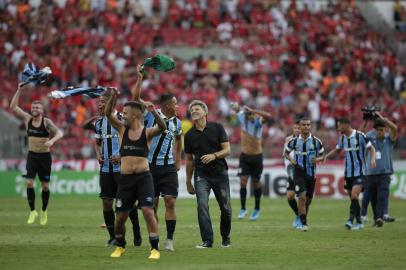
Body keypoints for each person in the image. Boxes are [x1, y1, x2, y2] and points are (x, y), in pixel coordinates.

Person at [105, 88, 166, 259]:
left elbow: (163, 127)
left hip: (143, 178)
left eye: (125, 113)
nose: (122, 115)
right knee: (120, 218)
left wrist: (154, 113)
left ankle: (154, 248)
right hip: (125, 181)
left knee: (148, 211)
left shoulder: (146, 132)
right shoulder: (121, 130)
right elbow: (108, 112)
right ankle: (120, 245)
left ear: (135, 116)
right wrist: (113, 96)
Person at [131, 65, 182, 251]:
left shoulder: (177, 122)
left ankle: (170, 240)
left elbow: (178, 140)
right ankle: (156, 236)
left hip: (168, 168)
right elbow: (136, 98)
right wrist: (140, 78)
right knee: (151, 205)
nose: (177, 106)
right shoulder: (152, 114)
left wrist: (177, 160)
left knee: (170, 200)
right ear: (167, 105)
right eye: (175, 103)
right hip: (150, 167)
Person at [81, 91, 142, 247]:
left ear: (111, 104)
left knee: (127, 203)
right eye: (98, 102)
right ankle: (113, 237)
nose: (99, 105)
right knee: (106, 202)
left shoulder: (123, 119)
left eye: (103, 102)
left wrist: (121, 155)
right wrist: (98, 155)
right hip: (106, 169)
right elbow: (97, 142)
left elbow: (134, 141)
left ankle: (136, 228)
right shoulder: (100, 123)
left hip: (123, 169)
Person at [10, 82, 63, 225]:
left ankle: (44, 211)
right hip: (32, 156)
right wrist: (19, 89)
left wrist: (52, 141)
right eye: (33, 107)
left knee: (45, 186)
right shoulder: (27, 119)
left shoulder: (46, 122)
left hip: (45, 157)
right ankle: (33, 211)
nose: (34, 109)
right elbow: (13, 107)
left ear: (42, 110)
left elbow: (60, 133)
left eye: (37, 107)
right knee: (29, 183)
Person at [184, 100, 232, 248]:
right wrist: (188, 181)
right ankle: (207, 240)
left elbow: (227, 150)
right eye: (192, 110)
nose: (194, 111)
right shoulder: (189, 135)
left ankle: (225, 237)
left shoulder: (217, 128)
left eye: (197, 109)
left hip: (220, 173)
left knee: (226, 208)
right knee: (202, 205)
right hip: (201, 175)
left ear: (205, 112)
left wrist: (214, 155)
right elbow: (189, 160)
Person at [324, 117, 376, 230]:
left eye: (339, 126)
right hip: (348, 173)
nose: (338, 128)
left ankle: (350, 220)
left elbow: (371, 148)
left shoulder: (360, 136)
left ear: (346, 125)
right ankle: (359, 222)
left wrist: (373, 159)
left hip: (360, 172)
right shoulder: (342, 138)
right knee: (353, 199)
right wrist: (326, 156)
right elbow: (337, 150)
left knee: (354, 195)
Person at [230, 102, 271, 221]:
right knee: (243, 182)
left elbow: (268, 116)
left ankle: (257, 208)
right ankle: (243, 209)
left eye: (252, 114)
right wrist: (234, 106)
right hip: (245, 157)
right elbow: (236, 108)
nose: (250, 116)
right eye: (249, 114)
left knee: (256, 183)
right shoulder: (243, 117)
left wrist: (253, 109)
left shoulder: (258, 122)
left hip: (256, 157)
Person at [284, 117, 324, 232]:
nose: (306, 127)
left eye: (308, 125)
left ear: (310, 126)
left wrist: (317, 160)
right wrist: (292, 160)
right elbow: (286, 153)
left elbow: (322, 155)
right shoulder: (294, 141)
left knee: (308, 201)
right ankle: (304, 223)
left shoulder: (317, 141)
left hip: (311, 174)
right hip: (298, 172)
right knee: (301, 197)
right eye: (304, 125)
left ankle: (302, 217)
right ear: (300, 127)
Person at [361, 112, 398, 227]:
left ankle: (382, 216)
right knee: (374, 199)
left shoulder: (389, 140)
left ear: (385, 130)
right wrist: (366, 121)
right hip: (370, 174)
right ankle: (377, 219)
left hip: (384, 174)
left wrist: (383, 119)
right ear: (375, 130)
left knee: (382, 195)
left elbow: (395, 128)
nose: (380, 132)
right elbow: (359, 135)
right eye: (378, 130)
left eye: (382, 130)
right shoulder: (369, 139)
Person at [284, 121, 301, 228]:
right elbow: (285, 154)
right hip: (292, 170)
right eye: (295, 128)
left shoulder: (307, 140)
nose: (296, 130)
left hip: (302, 171)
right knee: (290, 196)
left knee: (301, 196)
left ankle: (301, 219)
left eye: (298, 128)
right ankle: (298, 215)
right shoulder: (288, 140)